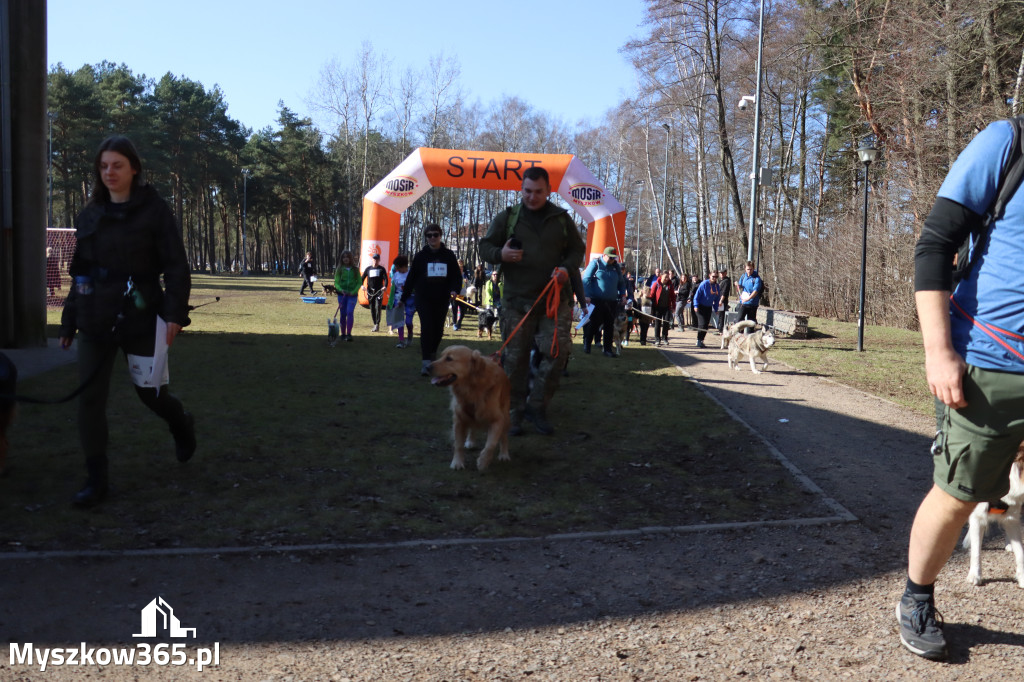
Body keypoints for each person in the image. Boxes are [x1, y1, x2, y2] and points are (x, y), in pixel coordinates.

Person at [897, 119, 1024, 661]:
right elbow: (935, 244)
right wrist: (938, 350)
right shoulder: (1006, 143)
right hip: (992, 365)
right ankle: (917, 597)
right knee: (959, 494)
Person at [57, 135, 194, 508]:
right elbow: (80, 273)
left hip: (142, 314)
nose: (109, 173)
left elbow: (176, 267)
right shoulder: (90, 215)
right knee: (89, 400)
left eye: (116, 165)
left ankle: (181, 423)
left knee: (150, 394)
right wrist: (69, 322)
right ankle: (96, 479)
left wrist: (174, 314)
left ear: (134, 167)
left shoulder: (155, 211)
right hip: (96, 319)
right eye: (103, 166)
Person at [478, 166, 585, 436]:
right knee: (515, 362)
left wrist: (566, 269)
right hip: (516, 303)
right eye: (527, 191)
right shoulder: (508, 218)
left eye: (538, 192)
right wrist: (500, 254)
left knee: (558, 354)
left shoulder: (561, 218)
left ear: (548, 191)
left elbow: (577, 249)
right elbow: (484, 247)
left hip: (553, 302)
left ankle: (537, 406)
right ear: (521, 189)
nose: (532, 197)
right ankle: (514, 414)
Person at [401, 224, 463, 376]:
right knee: (427, 327)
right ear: (426, 238)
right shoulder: (420, 256)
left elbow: (456, 276)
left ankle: (433, 353)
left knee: (438, 330)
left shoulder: (448, 255)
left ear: (440, 236)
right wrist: (404, 297)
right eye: (429, 235)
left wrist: (454, 288)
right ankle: (426, 362)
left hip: (442, 298)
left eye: (435, 235)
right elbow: (411, 278)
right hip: (423, 298)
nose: (432, 238)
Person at [581, 246, 626, 357]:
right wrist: (587, 295)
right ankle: (587, 343)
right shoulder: (595, 264)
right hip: (596, 300)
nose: (612, 260)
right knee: (594, 323)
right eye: (610, 257)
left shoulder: (616, 266)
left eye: (613, 258)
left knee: (609, 325)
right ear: (604, 255)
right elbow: (586, 279)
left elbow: (621, 282)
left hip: (612, 301)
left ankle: (607, 349)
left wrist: (623, 295)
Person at [386, 255, 415, 348]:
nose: (396, 269)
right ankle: (401, 340)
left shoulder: (412, 274)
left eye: (398, 267)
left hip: (410, 300)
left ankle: (410, 334)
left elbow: (415, 288)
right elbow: (393, 289)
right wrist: (390, 302)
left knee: (408, 321)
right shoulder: (395, 275)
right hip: (397, 299)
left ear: (403, 266)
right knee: (399, 321)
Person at [333, 250, 361, 341]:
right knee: (343, 314)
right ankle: (343, 334)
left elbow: (359, 282)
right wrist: (341, 290)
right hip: (342, 295)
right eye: (344, 257)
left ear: (350, 258)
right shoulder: (339, 269)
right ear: (342, 259)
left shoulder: (355, 269)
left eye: (347, 257)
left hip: (352, 295)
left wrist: (354, 291)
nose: (346, 259)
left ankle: (349, 333)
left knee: (349, 312)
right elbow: (336, 283)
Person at [361, 253, 389, 332]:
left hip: (379, 291)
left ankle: (377, 324)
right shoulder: (368, 269)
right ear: (372, 260)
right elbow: (362, 278)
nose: (375, 260)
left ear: (379, 260)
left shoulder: (381, 269)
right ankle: (374, 323)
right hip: (370, 292)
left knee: (378, 307)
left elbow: (386, 279)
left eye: (377, 259)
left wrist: (385, 286)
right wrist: (361, 286)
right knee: (372, 308)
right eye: (374, 259)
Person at [692, 271, 720, 348]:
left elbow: (717, 299)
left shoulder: (717, 286)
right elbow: (696, 296)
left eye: (716, 277)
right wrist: (696, 305)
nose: (714, 278)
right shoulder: (704, 284)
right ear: (709, 275)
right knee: (702, 323)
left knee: (706, 325)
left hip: (708, 307)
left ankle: (701, 340)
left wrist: (716, 308)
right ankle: (698, 340)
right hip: (700, 306)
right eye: (713, 276)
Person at [735, 261, 764, 332]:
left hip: (752, 304)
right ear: (745, 269)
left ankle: (751, 338)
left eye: (751, 269)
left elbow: (755, 291)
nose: (749, 271)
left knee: (751, 323)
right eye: (748, 269)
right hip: (743, 303)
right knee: (739, 320)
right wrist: (737, 285)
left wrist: (748, 299)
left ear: (753, 268)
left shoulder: (756, 278)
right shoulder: (743, 276)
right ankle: (740, 336)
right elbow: (740, 286)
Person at [650, 270, 676, 346]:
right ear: (661, 276)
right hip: (657, 307)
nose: (666, 279)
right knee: (657, 323)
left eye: (668, 277)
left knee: (666, 323)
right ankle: (657, 339)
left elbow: (673, 297)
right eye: (665, 277)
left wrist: (673, 306)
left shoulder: (670, 285)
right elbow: (652, 296)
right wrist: (652, 308)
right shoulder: (656, 284)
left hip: (666, 307)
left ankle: (665, 338)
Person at [717, 267, 732, 332]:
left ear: (726, 273)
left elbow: (724, 292)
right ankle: (720, 328)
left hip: (723, 300)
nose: (722, 274)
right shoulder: (721, 281)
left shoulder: (726, 281)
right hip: (719, 299)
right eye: (720, 273)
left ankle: (721, 330)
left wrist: (721, 300)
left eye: (723, 273)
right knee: (720, 315)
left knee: (721, 315)